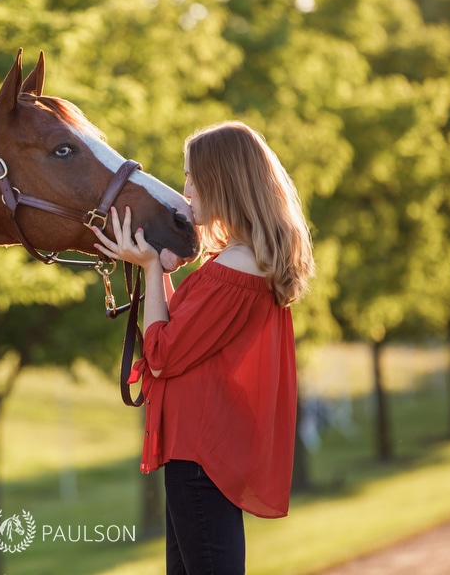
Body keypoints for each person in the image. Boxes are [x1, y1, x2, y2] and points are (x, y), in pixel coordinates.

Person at [91, 121, 315, 574]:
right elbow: (182, 334)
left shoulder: (236, 267)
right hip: (201, 455)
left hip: (200, 458)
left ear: (222, 182)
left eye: (193, 177)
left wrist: (152, 270)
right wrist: (163, 269)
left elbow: (163, 353)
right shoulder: (241, 260)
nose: (186, 189)